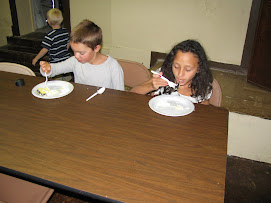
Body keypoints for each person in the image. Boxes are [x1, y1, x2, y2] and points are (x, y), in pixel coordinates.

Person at [39, 19, 124, 91]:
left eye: (81, 53)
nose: (76, 56)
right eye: (74, 51)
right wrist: (46, 68)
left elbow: (120, 94)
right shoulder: (75, 61)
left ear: (96, 48)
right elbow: (54, 70)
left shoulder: (112, 66)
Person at [131, 40, 213, 104]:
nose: (180, 74)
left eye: (188, 69)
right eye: (176, 67)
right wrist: (151, 86)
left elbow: (204, 113)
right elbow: (132, 94)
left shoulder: (203, 87)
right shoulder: (164, 75)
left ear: (199, 68)